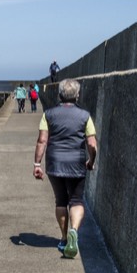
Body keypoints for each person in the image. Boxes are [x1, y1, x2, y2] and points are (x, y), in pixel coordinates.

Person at [32, 78, 97, 259]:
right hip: (76, 162)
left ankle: (62, 238)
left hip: (55, 162)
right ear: (77, 95)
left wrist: (37, 164)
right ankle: (74, 231)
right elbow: (91, 143)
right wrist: (91, 161)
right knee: (76, 200)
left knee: (60, 200)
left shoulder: (49, 114)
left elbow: (42, 140)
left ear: (60, 95)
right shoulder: (85, 116)